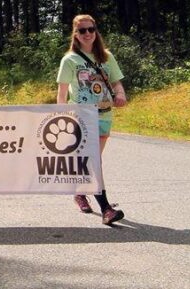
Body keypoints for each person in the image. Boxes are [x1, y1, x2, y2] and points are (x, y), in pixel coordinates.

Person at [56, 14, 127, 225]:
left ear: (96, 31)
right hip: (82, 117)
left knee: (91, 162)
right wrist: (62, 116)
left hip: (104, 116)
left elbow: (116, 82)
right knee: (93, 161)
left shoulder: (106, 57)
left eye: (91, 29)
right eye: (82, 31)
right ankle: (106, 210)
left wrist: (121, 94)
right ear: (75, 35)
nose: (87, 34)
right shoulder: (70, 60)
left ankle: (79, 193)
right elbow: (61, 94)